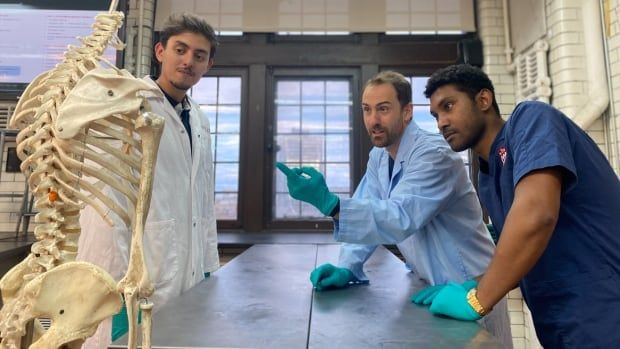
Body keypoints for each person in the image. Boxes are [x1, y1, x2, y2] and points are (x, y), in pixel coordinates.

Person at [276, 71, 512, 347]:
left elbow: (399, 216)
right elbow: (369, 205)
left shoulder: (434, 155)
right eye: (367, 110)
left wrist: (330, 204)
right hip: (432, 289)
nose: (373, 120)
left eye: (383, 109)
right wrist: (348, 267)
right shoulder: (379, 157)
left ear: (407, 112)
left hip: (473, 287)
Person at [423, 64, 620, 348]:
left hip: (604, 310)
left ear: (483, 100)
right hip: (559, 323)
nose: (441, 122)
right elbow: (521, 254)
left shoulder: (531, 120)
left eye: (449, 106)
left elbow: (537, 216)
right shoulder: (489, 174)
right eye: (435, 115)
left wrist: (477, 299)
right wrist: (475, 284)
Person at [77, 13, 220, 348]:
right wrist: (110, 285)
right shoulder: (128, 107)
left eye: (199, 56)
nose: (188, 62)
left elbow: (202, 198)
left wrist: (208, 266)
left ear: (209, 64)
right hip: (137, 275)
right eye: (180, 50)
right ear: (160, 52)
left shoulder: (198, 119)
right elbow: (105, 205)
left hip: (186, 271)